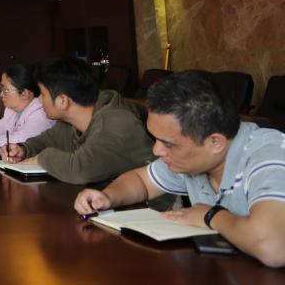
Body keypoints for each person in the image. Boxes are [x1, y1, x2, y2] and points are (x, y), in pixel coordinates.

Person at [74, 72, 285, 268]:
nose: (156, 150)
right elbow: (141, 181)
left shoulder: (270, 155)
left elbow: (273, 247)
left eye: (168, 144)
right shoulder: (195, 158)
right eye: (156, 139)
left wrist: (210, 216)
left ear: (215, 143)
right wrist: (108, 197)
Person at [3, 58, 153, 184]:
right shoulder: (72, 122)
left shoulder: (116, 121)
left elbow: (81, 170)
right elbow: (47, 140)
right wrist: (23, 149)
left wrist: (42, 158)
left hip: (151, 207)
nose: (39, 100)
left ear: (63, 101)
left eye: (42, 94)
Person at [0, 62, 54, 145]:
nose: (1, 94)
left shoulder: (41, 113)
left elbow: (23, 139)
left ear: (24, 94)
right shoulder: (12, 110)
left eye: (6, 90)